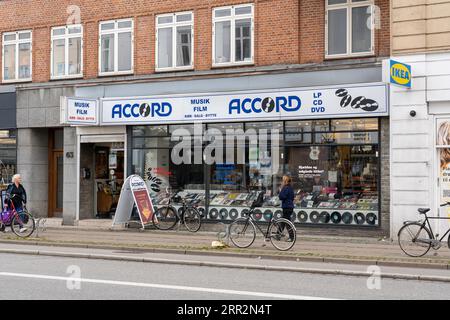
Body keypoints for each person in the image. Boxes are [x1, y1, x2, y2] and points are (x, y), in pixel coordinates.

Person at [278, 175, 295, 242]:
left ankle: (291, 237)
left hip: (286, 207)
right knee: (283, 221)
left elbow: (281, 197)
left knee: (287, 223)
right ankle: (278, 235)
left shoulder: (285, 188)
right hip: (290, 207)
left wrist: (280, 190)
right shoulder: (290, 188)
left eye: (282, 180)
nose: (282, 182)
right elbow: (292, 197)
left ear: (285, 181)